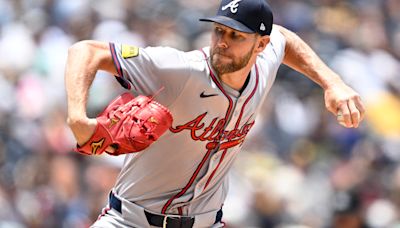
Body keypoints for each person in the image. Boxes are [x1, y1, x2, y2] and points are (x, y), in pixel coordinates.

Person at [64, 0, 365, 227]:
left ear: (261, 44)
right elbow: (86, 51)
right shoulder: (179, 70)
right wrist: (77, 117)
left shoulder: (265, 65)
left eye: (236, 36)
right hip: (130, 221)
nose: (222, 42)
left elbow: (283, 38)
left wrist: (332, 83)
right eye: (219, 30)